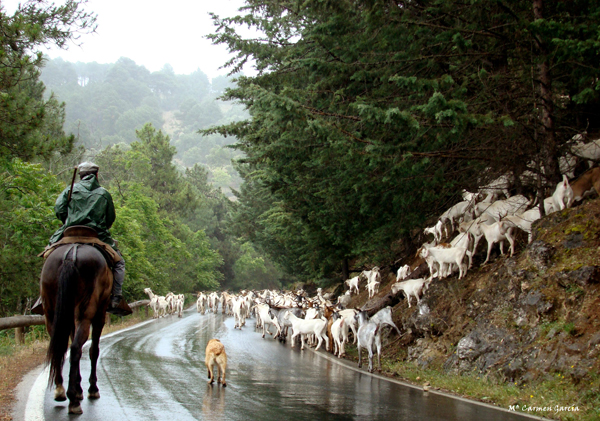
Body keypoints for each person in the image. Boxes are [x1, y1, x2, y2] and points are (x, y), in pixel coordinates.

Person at [42, 162, 125, 312]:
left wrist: (68, 220)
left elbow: (59, 209)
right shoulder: (103, 193)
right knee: (119, 263)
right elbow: (110, 218)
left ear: (80, 176)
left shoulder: (70, 190)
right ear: (96, 175)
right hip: (96, 234)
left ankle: (42, 298)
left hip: (69, 232)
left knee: (48, 255)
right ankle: (116, 298)